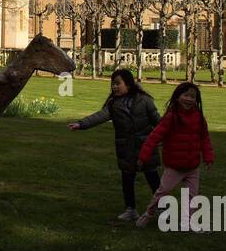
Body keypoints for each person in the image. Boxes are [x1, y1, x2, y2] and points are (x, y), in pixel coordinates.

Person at [68, 68, 162, 220]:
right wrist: (81, 124)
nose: (114, 87)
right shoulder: (113, 104)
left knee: (153, 178)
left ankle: (162, 207)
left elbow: (158, 122)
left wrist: (164, 137)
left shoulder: (144, 101)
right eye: (113, 84)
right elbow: (99, 116)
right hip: (126, 148)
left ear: (129, 84)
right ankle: (130, 209)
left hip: (146, 147)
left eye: (118, 83)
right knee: (127, 179)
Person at [134, 81, 214, 229]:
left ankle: (189, 222)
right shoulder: (171, 117)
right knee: (162, 193)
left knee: (193, 197)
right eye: (186, 95)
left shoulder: (199, 118)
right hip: (174, 166)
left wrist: (208, 157)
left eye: (193, 97)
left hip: (192, 166)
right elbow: (154, 137)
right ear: (177, 97)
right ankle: (149, 214)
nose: (189, 99)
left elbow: (204, 138)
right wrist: (142, 157)